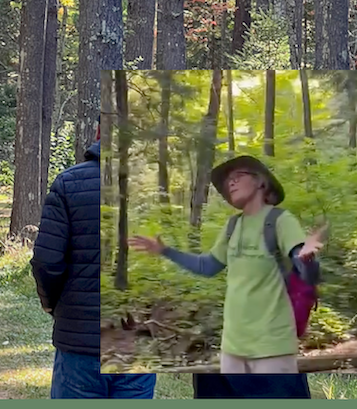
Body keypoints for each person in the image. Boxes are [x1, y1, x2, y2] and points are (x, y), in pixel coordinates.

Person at [130, 154, 324, 380]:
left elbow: (304, 265)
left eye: (238, 176)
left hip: (272, 346)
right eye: (228, 180)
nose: (231, 182)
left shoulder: (280, 220)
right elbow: (208, 266)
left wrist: (306, 257)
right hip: (232, 348)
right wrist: (165, 250)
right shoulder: (232, 226)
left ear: (261, 182)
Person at [31, 119, 156, 399]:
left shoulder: (68, 183)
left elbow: (46, 261)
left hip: (80, 343)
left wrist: (51, 304)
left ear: (98, 132)